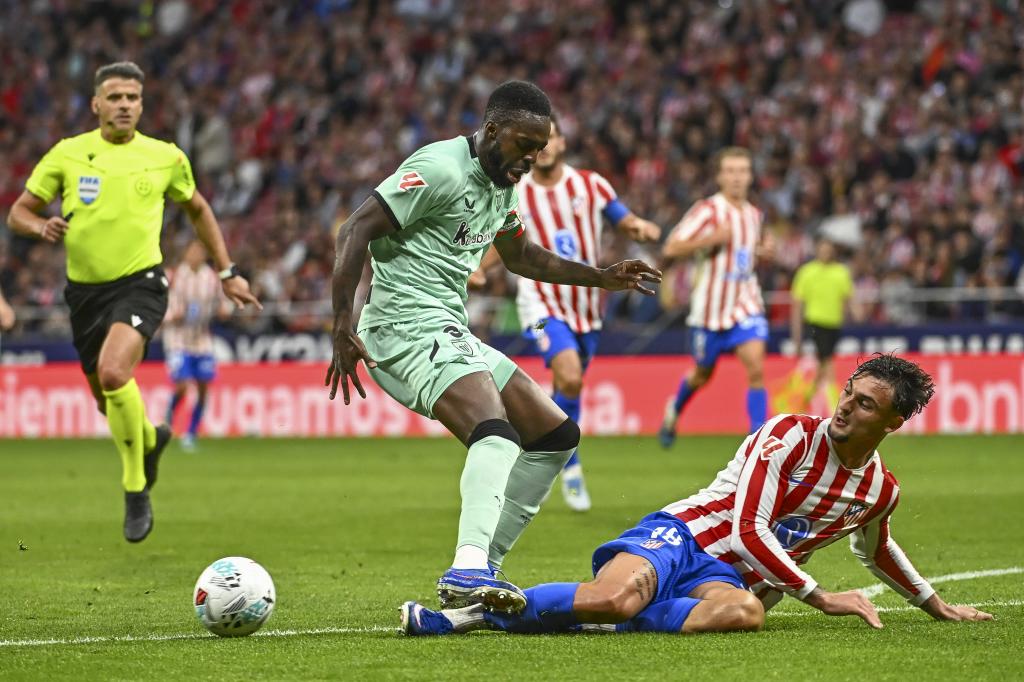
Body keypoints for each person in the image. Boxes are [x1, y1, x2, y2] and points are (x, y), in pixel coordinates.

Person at [325, 80, 661, 613]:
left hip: (447, 327)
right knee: (496, 432)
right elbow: (354, 230)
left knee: (556, 435)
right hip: (403, 329)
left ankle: (484, 572)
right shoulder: (440, 167)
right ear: (492, 130)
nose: (530, 159)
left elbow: (522, 255)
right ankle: (468, 567)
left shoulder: (501, 186)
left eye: (539, 149)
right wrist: (343, 325)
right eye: (523, 145)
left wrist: (602, 277)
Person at [400, 354, 994, 636]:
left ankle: (611, 619)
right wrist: (820, 595)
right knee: (612, 600)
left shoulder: (877, 490)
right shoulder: (787, 435)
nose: (845, 407)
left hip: (726, 581)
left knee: (746, 613)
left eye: (865, 404)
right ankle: (469, 614)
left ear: (891, 423)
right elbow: (748, 530)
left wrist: (932, 602)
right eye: (848, 393)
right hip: (682, 536)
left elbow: (878, 548)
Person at [8, 62, 260, 543]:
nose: (124, 105)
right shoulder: (68, 154)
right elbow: (20, 210)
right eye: (115, 97)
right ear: (96, 104)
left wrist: (226, 272)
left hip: (142, 283)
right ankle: (150, 438)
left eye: (132, 97)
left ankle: (135, 485)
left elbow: (199, 209)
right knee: (108, 404)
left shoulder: (165, 157)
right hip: (83, 293)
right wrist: (39, 226)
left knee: (113, 373)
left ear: (142, 105)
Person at [474, 113, 661, 512]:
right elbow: (505, 245)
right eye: (538, 142)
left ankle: (550, 442)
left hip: (587, 306)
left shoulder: (589, 185)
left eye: (552, 139)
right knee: (570, 375)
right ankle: (570, 465)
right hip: (540, 303)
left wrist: (640, 228)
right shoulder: (516, 191)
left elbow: (621, 219)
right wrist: (478, 267)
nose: (544, 148)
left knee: (570, 386)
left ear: (560, 144)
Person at [659, 147, 772, 448]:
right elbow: (671, 247)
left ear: (750, 176)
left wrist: (763, 252)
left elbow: (745, 257)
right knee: (701, 375)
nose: (737, 178)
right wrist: (710, 240)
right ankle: (675, 409)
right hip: (709, 313)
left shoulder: (754, 215)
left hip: (745, 303)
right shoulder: (708, 211)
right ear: (720, 176)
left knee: (756, 368)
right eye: (731, 171)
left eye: (742, 171)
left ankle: (758, 443)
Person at [163, 240, 232, 451]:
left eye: (199, 252)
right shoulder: (173, 276)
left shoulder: (211, 277)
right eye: (191, 251)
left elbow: (224, 303)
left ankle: (190, 434)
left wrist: (224, 311)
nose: (195, 255)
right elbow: (160, 306)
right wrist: (171, 316)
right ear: (185, 253)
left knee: (203, 390)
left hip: (202, 340)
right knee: (182, 386)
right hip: (177, 339)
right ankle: (167, 423)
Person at [790, 239, 853, 410]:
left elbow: (847, 299)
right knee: (827, 362)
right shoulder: (807, 272)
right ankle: (836, 407)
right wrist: (796, 336)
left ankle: (800, 404)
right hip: (816, 322)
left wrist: (854, 316)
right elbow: (797, 303)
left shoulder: (841, 272)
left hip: (834, 324)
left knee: (822, 366)